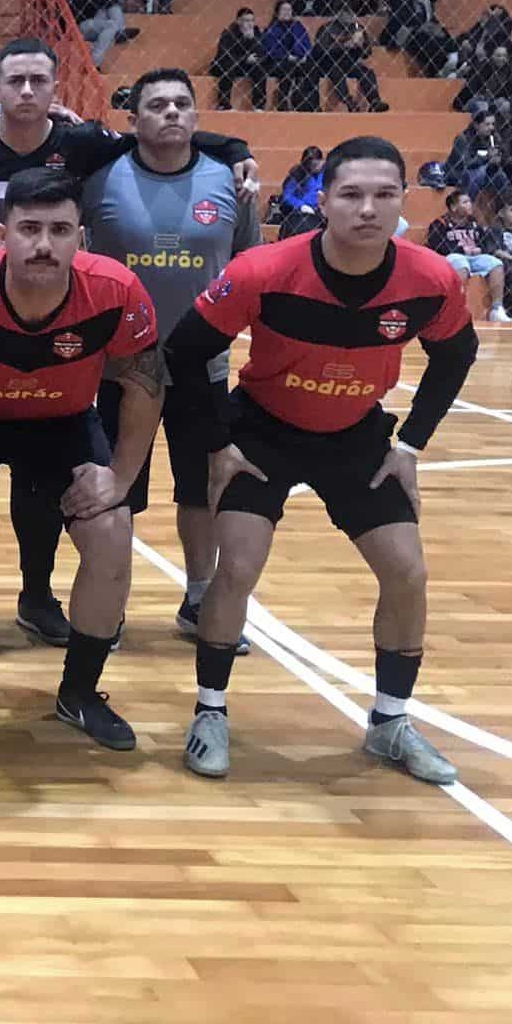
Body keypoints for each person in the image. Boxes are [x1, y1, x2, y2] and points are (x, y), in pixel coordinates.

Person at [0, 37, 254, 647]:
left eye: (39, 81)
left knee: (75, 498)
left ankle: (47, 599)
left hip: (78, 361)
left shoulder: (82, 148)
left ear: (57, 94)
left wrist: (230, 147)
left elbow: (162, 139)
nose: (28, 92)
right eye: (15, 81)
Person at [162, 136, 475, 782]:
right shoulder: (263, 271)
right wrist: (220, 444)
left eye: (384, 195)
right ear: (323, 200)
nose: (367, 208)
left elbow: (455, 354)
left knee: (407, 573)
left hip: (358, 436)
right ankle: (211, 711)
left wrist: (411, 446)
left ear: (404, 203)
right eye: (352, 194)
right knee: (237, 569)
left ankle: (390, 724)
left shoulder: (431, 279)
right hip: (264, 433)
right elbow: (186, 351)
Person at [0, 167, 165, 747]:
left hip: (62, 422)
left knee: (113, 533)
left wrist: (120, 478)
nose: (44, 245)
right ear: (3, 234)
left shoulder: (115, 290)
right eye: (30, 228)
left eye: (60, 230)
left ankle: (81, 693)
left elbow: (146, 386)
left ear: (81, 238)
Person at [82, 70, 261, 653]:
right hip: (119, 367)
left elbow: (248, 271)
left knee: (201, 486)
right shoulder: (101, 178)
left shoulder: (228, 183)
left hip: (201, 367)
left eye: (183, 103)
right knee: (117, 488)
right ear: (134, 119)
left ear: (196, 116)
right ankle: (109, 603)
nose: (171, 113)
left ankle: (199, 595)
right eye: (156, 104)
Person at [425, 188, 508, 322]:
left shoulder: (473, 223)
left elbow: (484, 242)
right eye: (465, 202)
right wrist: (462, 250)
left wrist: (480, 249)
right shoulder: (440, 223)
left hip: (474, 258)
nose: (470, 205)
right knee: (460, 263)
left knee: (495, 263)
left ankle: (497, 308)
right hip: (451, 258)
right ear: (453, 207)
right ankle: (455, 308)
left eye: (470, 201)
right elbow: (438, 246)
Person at [261, 1, 317, 111]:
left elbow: (305, 42)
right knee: (288, 65)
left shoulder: (298, 26)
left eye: (289, 10)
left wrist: (304, 55)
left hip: (297, 60)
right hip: (277, 62)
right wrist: (287, 56)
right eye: (284, 9)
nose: (287, 12)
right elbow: (271, 49)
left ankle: (310, 103)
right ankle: (283, 100)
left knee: (312, 67)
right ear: (277, 13)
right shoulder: (272, 29)